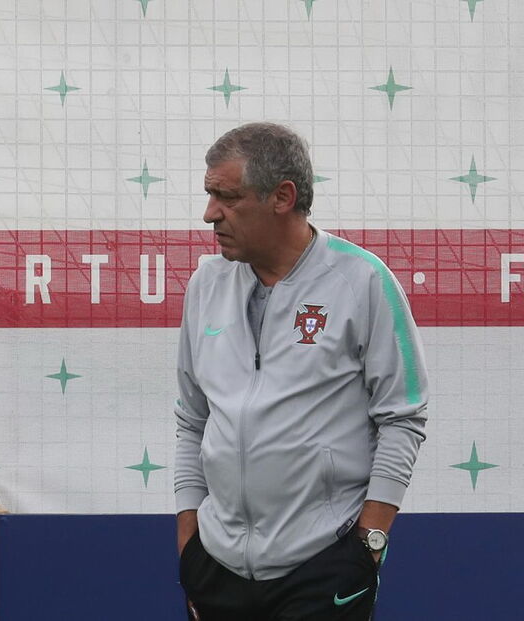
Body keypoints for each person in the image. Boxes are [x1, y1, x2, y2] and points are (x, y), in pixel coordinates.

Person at [174, 122, 428, 620]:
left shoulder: (363, 280)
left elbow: (403, 417)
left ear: (283, 197)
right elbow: (191, 421)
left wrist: (369, 544)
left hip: (323, 569)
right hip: (216, 568)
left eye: (228, 197)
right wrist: (190, 547)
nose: (210, 214)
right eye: (209, 195)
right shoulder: (205, 284)